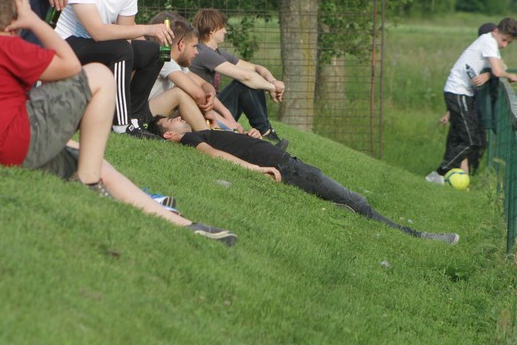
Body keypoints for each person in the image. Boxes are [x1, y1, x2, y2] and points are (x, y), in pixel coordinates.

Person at [0, 0, 238, 245]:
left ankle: (179, 222)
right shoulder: (8, 45)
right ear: (12, 23)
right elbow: (70, 66)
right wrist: (36, 22)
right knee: (99, 75)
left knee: (85, 153)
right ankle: (90, 182)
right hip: (12, 149)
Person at [148, 116, 460, 245]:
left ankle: (353, 212)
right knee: (358, 201)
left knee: (350, 201)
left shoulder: (201, 130)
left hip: (287, 163)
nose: (179, 116)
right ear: (169, 135)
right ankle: (417, 236)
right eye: (172, 119)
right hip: (287, 168)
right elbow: (215, 155)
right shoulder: (190, 138)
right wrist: (257, 169)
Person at [54, 0, 172, 137]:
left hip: (101, 45)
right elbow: (97, 32)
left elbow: (125, 33)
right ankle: (120, 125)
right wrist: (147, 29)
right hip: (68, 44)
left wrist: (127, 62)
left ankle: (135, 119)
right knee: (120, 50)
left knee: (153, 52)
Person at [426, 17, 517, 185]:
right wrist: (511, 76)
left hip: (463, 93)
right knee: (472, 141)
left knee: (468, 139)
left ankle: (444, 175)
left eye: (509, 43)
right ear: (495, 31)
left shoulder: (490, 41)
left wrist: (490, 74)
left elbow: (496, 68)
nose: (504, 45)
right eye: (504, 40)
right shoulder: (489, 42)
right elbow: (498, 71)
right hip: (457, 91)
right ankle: (438, 174)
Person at [190, 8, 286, 144]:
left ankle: (265, 130)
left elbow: (257, 68)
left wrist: (273, 81)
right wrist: (272, 88)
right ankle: (266, 132)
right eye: (222, 27)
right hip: (206, 112)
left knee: (253, 80)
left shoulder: (217, 53)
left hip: (217, 107)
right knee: (243, 84)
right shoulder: (203, 52)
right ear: (212, 30)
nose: (225, 31)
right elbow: (246, 77)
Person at [147, 12, 247, 134]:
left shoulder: (178, 64)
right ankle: (214, 136)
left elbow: (204, 84)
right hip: (144, 115)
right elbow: (197, 94)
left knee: (193, 101)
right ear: (181, 45)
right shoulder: (164, 58)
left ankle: (230, 131)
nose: (197, 52)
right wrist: (208, 110)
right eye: (194, 46)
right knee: (181, 93)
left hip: (158, 111)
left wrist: (211, 95)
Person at [437, 22, 497, 174]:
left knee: (469, 141)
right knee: (466, 140)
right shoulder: (480, 56)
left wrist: (488, 75)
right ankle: (447, 173)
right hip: (467, 105)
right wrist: (448, 113)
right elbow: (459, 89)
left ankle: (458, 174)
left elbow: (498, 71)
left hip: (473, 107)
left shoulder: (489, 59)